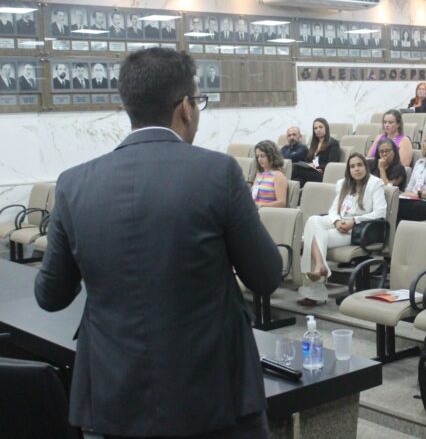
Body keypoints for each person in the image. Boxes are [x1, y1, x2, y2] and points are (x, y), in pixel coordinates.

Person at [34, 47, 281, 438]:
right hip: (215, 397)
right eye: (198, 101)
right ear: (185, 106)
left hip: (114, 398)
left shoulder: (73, 184)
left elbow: (50, 295)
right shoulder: (217, 172)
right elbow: (266, 275)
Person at [298, 153, 386, 305]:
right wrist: (337, 221)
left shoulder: (375, 183)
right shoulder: (343, 184)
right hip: (340, 223)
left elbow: (380, 212)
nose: (356, 169)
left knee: (310, 238)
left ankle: (313, 292)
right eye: (352, 166)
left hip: (359, 229)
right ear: (348, 170)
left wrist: (354, 220)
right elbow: (333, 210)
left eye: (359, 165)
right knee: (313, 221)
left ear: (365, 166)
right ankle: (320, 266)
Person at [291, 118, 341, 187]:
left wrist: (315, 165)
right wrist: (308, 164)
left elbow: (331, 164)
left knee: (295, 169)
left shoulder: (333, 143)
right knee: (297, 180)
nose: (318, 130)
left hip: (323, 174)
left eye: (320, 127)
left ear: (326, 128)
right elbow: (308, 159)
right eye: (315, 128)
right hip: (311, 171)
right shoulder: (314, 143)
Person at [251, 140, 288, 208]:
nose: (259, 159)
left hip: (267, 213)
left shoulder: (278, 176)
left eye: (262, 156)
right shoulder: (259, 175)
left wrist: (260, 206)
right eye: (257, 156)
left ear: (271, 156)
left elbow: (281, 203)